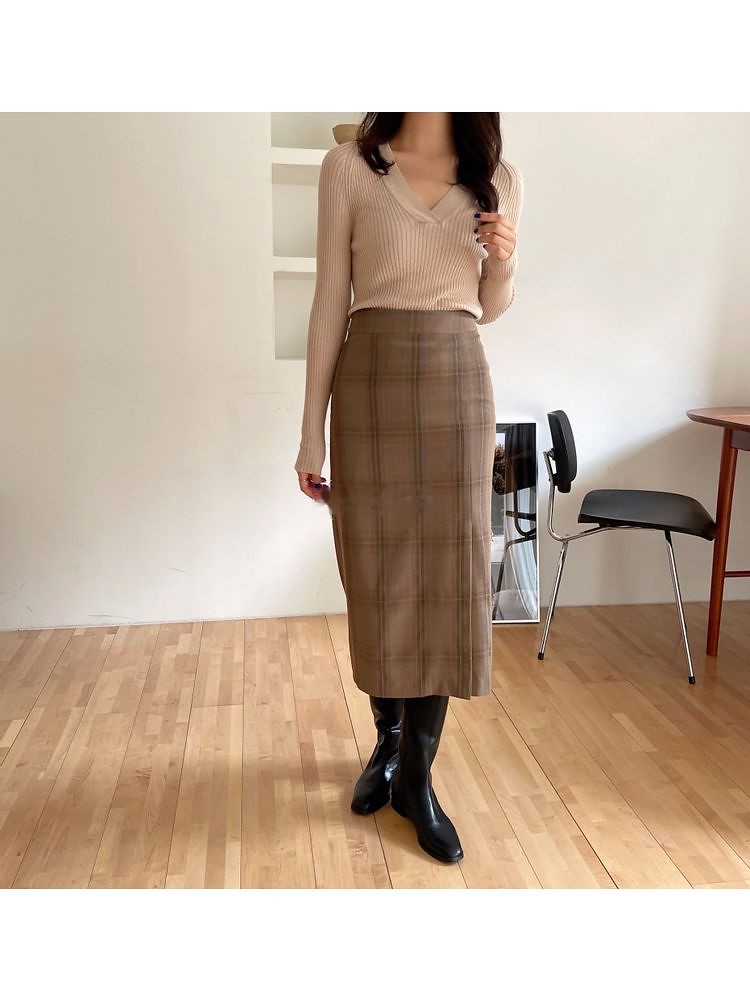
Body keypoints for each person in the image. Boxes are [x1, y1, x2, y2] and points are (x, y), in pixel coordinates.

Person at [295, 112, 523, 863]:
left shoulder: (498, 176)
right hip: (370, 379)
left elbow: (490, 307)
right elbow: (329, 301)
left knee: (447, 580)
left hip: (457, 378)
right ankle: (387, 742)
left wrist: (504, 262)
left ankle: (417, 778)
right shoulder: (350, 168)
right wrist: (310, 432)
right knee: (378, 575)